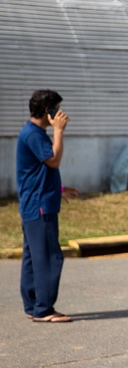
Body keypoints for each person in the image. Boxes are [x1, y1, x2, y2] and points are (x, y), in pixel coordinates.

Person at [17, 90, 73, 323]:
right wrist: (59, 131)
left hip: (35, 202)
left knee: (33, 256)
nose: (60, 114)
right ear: (48, 111)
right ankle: (43, 309)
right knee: (49, 256)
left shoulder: (31, 132)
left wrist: (61, 189)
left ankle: (33, 305)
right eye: (57, 109)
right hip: (40, 206)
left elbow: (37, 171)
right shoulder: (34, 134)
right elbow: (54, 160)